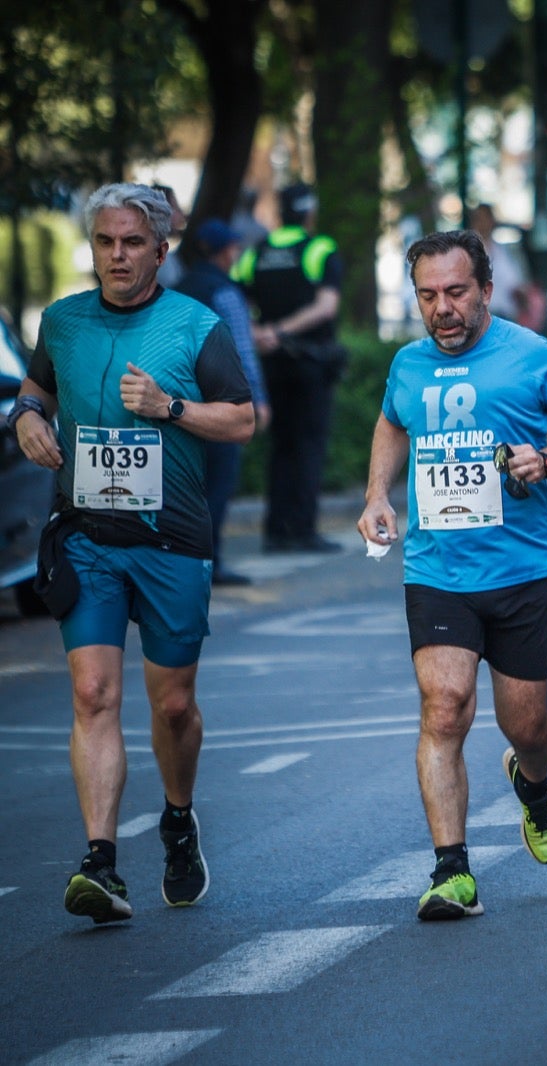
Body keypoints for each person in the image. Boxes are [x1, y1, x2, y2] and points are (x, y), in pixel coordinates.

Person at [9, 183, 255, 923]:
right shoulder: (62, 322)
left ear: (160, 250)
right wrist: (26, 417)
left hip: (171, 539)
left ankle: (177, 819)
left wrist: (171, 408)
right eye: (106, 243)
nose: (117, 256)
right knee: (92, 694)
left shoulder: (195, 325)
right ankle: (101, 863)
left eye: (132, 243)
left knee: (173, 704)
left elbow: (243, 419)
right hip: (86, 537)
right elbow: (35, 389)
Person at [356, 230, 547, 920]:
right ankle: (451, 871)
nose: (442, 308)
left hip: (523, 568)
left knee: (526, 727)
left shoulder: (532, 355)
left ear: (486, 291)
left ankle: (534, 784)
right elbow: (390, 423)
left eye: (456, 292)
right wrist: (378, 494)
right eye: (428, 295)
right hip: (438, 568)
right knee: (444, 706)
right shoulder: (407, 364)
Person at [235, 182, 346, 552]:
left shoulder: (257, 252)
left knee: (280, 446)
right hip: (309, 361)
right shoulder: (320, 249)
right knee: (309, 445)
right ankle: (302, 529)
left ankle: (276, 530)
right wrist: (281, 332)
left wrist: (260, 333)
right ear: (309, 211)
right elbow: (326, 307)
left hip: (270, 363)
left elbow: (236, 303)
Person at [174, 219, 272, 586]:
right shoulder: (225, 292)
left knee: (187, 486)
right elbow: (242, 352)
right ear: (226, 251)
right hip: (220, 404)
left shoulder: (179, 288)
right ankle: (209, 563)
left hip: (180, 402)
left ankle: (184, 561)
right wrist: (257, 400)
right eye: (234, 248)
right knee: (217, 484)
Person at [467, 204, 532, 323]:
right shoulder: (467, 254)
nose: (483, 223)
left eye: (486, 219)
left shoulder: (504, 251)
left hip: (506, 316)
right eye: (479, 219)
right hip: (481, 319)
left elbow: (516, 282)